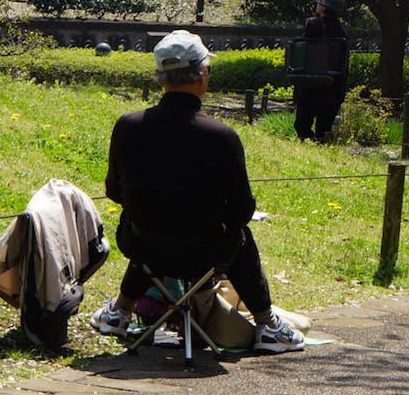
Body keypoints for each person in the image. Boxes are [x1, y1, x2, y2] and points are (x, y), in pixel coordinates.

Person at [89, 29, 305, 353]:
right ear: (202, 76)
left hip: (144, 246)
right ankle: (267, 325)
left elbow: (114, 191)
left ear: (159, 78)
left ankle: (120, 311)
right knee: (240, 234)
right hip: (206, 252)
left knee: (149, 224)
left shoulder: (128, 126)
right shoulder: (221, 136)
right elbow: (242, 210)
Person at [293, 0, 349, 142]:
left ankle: (306, 142)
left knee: (302, 124)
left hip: (311, 82)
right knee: (324, 129)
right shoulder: (342, 31)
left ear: (324, 7)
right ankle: (319, 143)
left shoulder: (313, 24)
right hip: (332, 86)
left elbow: (302, 49)